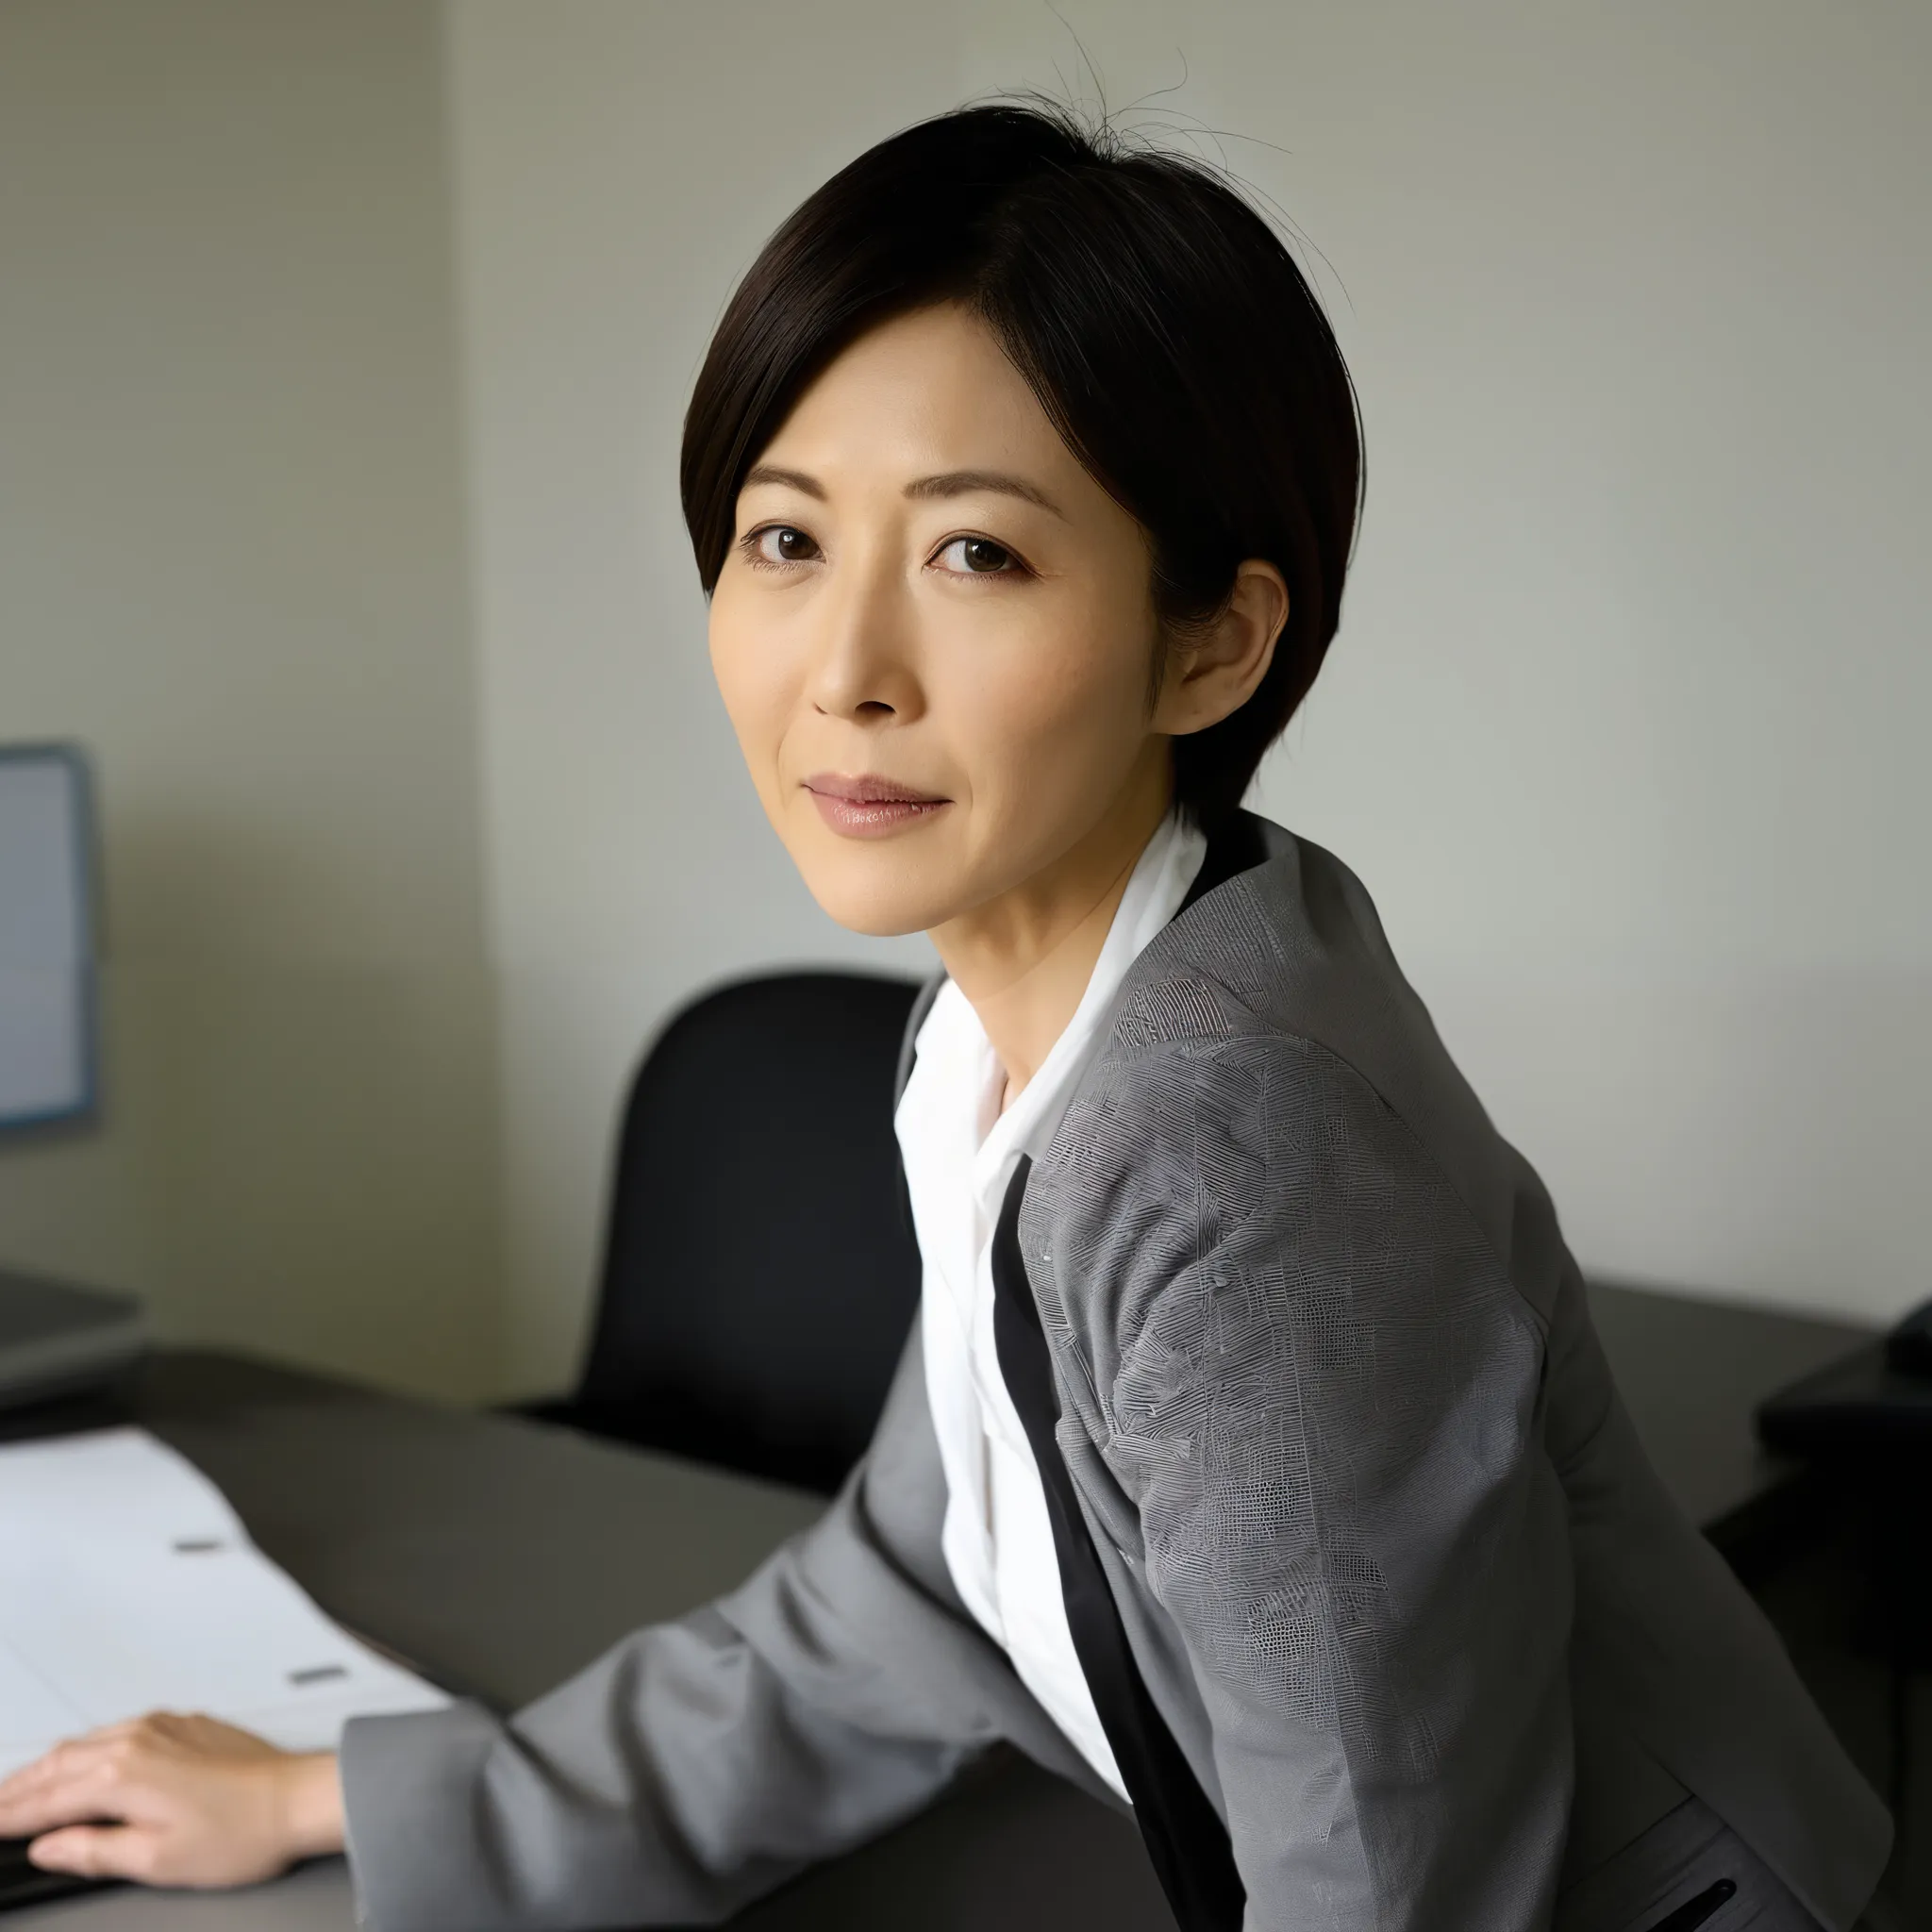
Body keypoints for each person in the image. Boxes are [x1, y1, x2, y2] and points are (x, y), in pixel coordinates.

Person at [0, 93, 1894, 1932]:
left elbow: (1383, 1881)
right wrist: (338, 1790)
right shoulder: (1025, 1025)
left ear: (1209, 640)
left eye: (974, 552)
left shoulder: (1237, 1157)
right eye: (785, 538)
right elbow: (900, 1600)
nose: (845, 671)